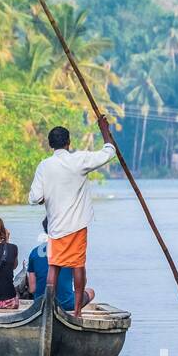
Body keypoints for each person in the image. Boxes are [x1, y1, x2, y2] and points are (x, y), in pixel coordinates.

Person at [28, 118, 116, 317]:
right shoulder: (78, 160)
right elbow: (109, 152)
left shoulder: (44, 166)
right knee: (78, 265)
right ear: (68, 143)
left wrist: (44, 199)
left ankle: (47, 308)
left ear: (51, 145)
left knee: (54, 266)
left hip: (56, 226)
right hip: (77, 225)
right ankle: (77, 312)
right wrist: (104, 131)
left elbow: (34, 198)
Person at [27, 217, 94, 312]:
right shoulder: (72, 251)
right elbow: (82, 283)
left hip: (41, 304)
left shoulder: (34, 252)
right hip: (67, 304)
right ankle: (77, 311)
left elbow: (32, 289)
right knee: (91, 292)